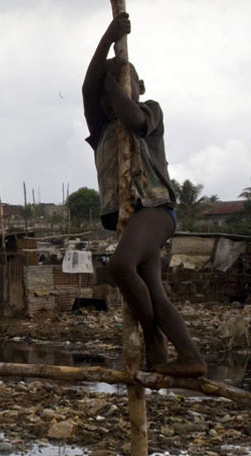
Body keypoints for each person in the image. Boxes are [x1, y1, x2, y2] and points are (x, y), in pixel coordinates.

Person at [83, 12, 206, 377]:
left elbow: (134, 120)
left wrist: (115, 86)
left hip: (156, 209)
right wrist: (108, 39)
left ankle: (154, 339)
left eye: (127, 83)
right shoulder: (101, 128)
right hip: (134, 218)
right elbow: (87, 86)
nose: (112, 97)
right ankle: (189, 356)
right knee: (154, 292)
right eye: (107, 93)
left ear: (140, 86)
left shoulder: (151, 111)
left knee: (121, 266)